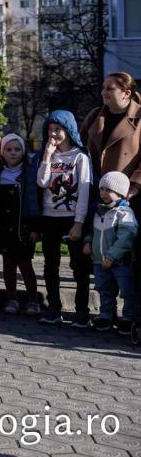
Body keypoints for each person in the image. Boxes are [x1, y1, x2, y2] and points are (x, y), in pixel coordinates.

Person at [80, 72, 141, 314]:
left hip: (130, 197)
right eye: (103, 87)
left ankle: (131, 315)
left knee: (127, 257)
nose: (104, 92)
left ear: (126, 93)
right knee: (100, 252)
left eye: (110, 88)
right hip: (98, 193)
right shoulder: (95, 115)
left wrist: (134, 186)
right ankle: (107, 312)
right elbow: (81, 148)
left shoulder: (139, 118)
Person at [34, 109, 94, 326]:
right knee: (51, 265)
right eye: (50, 130)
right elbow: (41, 182)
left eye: (57, 129)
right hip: (50, 217)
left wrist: (79, 223)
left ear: (68, 130)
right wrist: (47, 156)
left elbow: (85, 192)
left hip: (72, 218)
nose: (53, 134)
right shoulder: (48, 154)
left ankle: (82, 311)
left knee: (79, 266)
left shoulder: (80, 157)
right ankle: (54, 308)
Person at [0, 134, 40, 315]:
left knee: (25, 263)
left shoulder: (29, 174)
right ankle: (12, 298)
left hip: (23, 227)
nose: (13, 153)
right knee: (8, 263)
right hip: (4, 226)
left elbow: (34, 201)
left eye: (17, 149)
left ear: (24, 151)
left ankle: (33, 300)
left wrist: (35, 227)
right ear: (2, 152)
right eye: (9, 149)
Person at [85, 172, 137, 334]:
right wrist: (88, 241)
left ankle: (128, 318)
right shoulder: (98, 211)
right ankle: (106, 315)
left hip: (120, 261)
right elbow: (93, 231)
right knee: (104, 288)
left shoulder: (124, 213)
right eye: (101, 189)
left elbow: (126, 238)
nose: (103, 193)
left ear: (120, 193)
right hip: (99, 260)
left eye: (108, 190)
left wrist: (111, 256)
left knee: (127, 289)